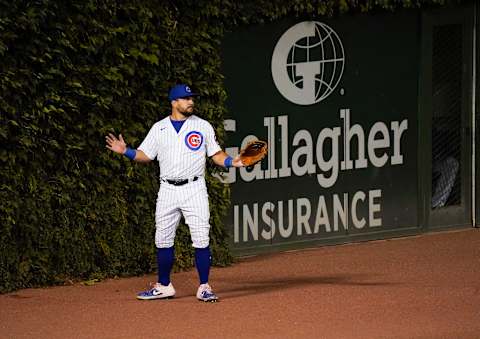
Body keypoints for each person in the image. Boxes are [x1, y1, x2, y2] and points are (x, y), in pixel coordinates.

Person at [105, 84, 244, 302]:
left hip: (194, 188)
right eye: (186, 98)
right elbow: (146, 155)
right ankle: (164, 286)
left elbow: (215, 154)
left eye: (192, 98)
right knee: (163, 239)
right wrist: (126, 151)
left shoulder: (203, 126)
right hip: (167, 190)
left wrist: (230, 161)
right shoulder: (159, 128)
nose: (191, 102)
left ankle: (204, 287)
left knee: (201, 238)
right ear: (174, 102)